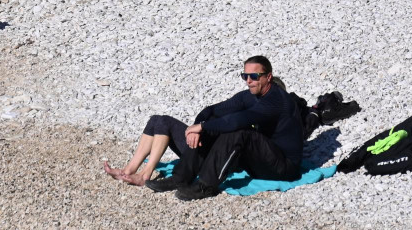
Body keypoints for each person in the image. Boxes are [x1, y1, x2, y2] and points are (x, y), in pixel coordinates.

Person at [105, 56, 303, 201]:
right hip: (260, 159)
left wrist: (202, 127)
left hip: (283, 166)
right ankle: (180, 178)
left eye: (254, 76)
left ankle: (206, 186)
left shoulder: (277, 100)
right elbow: (214, 110)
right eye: (245, 75)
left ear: (268, 77)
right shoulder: (249, 94)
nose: (248, 80)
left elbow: (240, 120)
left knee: (238, 130)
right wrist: (196, 127)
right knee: (213, 125)